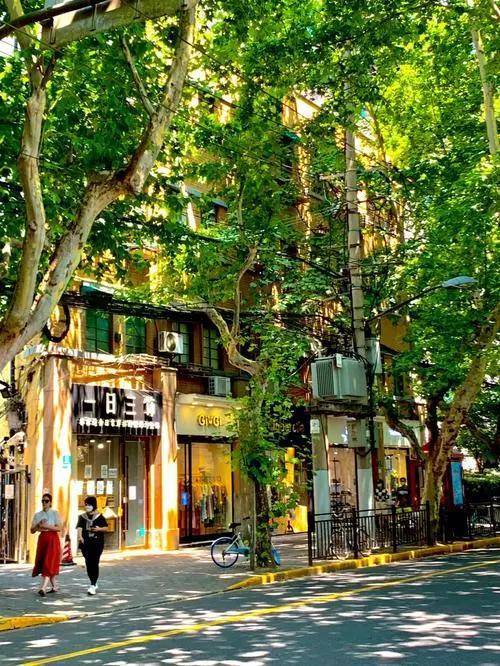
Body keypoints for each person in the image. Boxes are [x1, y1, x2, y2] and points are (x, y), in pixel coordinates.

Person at [31, 493, 62, 596]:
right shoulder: (37, 515)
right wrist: (38, 525)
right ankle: (55, 586)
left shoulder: (55, 513)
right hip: (43, 538)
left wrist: (47, 526)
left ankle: (43, 588)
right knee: (44, 561)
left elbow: (59, 528)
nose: (44, 503)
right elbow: (32, 530)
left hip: (52, 538)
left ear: (50, 502)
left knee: (49, 561)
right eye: (43, 501)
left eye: (46, 501)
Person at [77, 496, 108, 595]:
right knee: (88, 563)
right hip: (86, 543)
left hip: (97, 543)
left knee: (94, 562)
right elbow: (79, 527)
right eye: (86, 504)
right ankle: (93, 581)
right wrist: (80, 537)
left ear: (94, 505)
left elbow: (106, 527)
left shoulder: (99, 516)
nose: (87, 506)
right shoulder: (82, 517)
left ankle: (93, 584)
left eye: (89, 504)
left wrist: (99, 529)